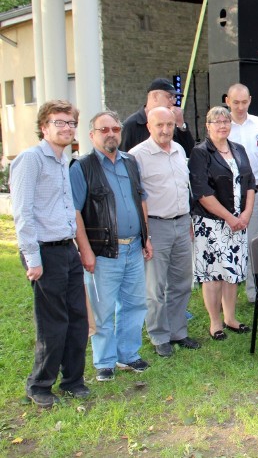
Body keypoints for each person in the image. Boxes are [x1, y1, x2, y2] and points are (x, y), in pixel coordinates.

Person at [10, 100, 89, 407]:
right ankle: (40, 385)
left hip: (66, 248)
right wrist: (33, 259)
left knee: (77, 318)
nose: (67, 128)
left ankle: (73, 380)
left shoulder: (62, 160)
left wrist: (79, 248)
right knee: (53, 321)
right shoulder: (31, 160)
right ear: (44, 127)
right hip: (44, 251)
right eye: (59, 122)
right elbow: (23, 213)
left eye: (71, 123)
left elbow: (67, 208)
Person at [71, 111, 153, 382]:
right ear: (92, 134)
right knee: (102, 308)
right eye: (103, 129)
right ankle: (104, 361)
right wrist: (86, 251)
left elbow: (140, 199)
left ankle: (128, 355)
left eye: (115, 129)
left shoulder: (130, 162)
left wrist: (146, 237)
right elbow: (75, 213)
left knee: (135, 304)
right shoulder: (82, 168)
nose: (110, 134)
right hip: (103, 251)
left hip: (133, 247)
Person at [129, 107, 200, 357]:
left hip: (182, 223)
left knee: (181, 282)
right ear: (149, 126)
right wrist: (144, 234)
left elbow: (184, 188)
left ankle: (178, 331)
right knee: (155, 286)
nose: (165, 130)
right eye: (159, 125)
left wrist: (189, 220)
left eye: (169, 125)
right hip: (155, 226)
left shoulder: (179, 150)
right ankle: (159, 335)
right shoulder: (137, 156)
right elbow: (135, 198)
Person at [189, 106, 256, 340]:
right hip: (212, 224)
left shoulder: (239, 150)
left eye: (226, 121)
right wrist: (230, 218)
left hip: (239, 222)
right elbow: (202, 192)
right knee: (213, 274)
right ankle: (215, 323)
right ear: (207, 126)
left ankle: (230, 318)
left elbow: (250, 183)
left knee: (233, 272)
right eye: (216, 122)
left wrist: (246, 214)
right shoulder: (200, 152)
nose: (222, 125)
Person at [225, 83, 258, 304]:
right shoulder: (222, 125)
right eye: (236, 102)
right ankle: (228, 295)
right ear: (227, 101)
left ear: (250, 100)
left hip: (255, 192)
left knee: (255, 242)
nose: (240, 107)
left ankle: (256, 292)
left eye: (244, 102)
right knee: (227, 245)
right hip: (227, 194)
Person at [121, 78, 195, 157]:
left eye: (174, 97)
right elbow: (123, 157)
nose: (173, 102)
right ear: (155, 96)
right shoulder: (132, 124)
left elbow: (190, 153)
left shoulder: (172, 121)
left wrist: (181, 125)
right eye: (169, 97)